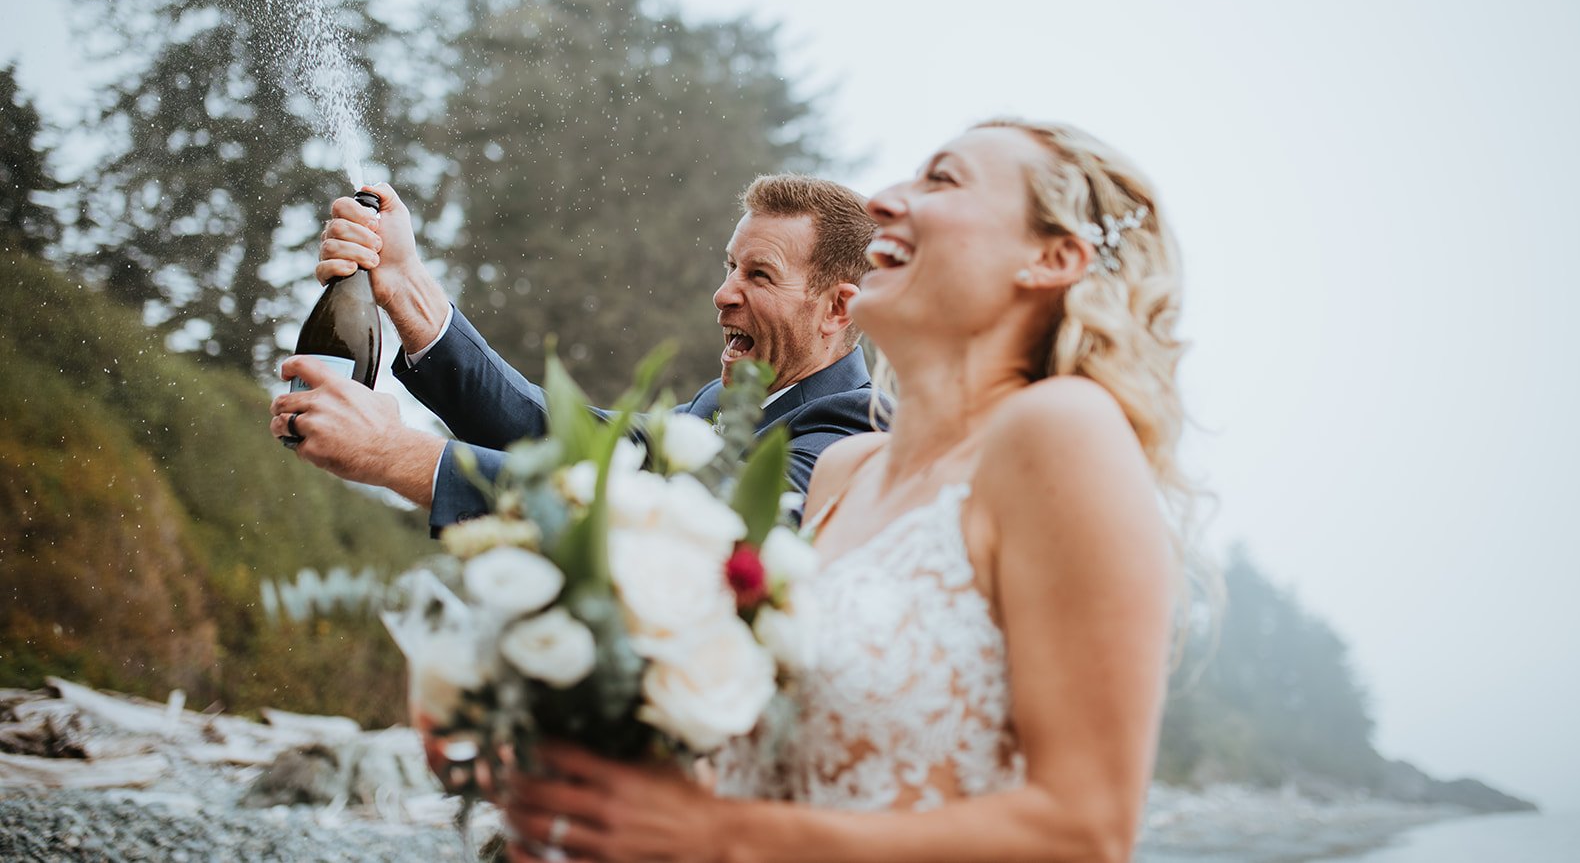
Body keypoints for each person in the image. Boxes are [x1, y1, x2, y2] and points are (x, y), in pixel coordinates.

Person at [496, 119, 1203, 863]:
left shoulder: (1061, 431)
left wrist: (724, 836)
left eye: (943, 179)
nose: (888, 202)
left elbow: (1085, 830)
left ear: (1052, 257)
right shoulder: (847, 470)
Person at [269, 174, 880, 532]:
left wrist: (393, 453)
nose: (723, 294)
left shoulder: (853, 431)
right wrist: (406, 286)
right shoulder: (720, 403)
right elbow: (567, 440)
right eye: (729, 267)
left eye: (760, 276)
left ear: (838, 309)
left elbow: (680, 532)